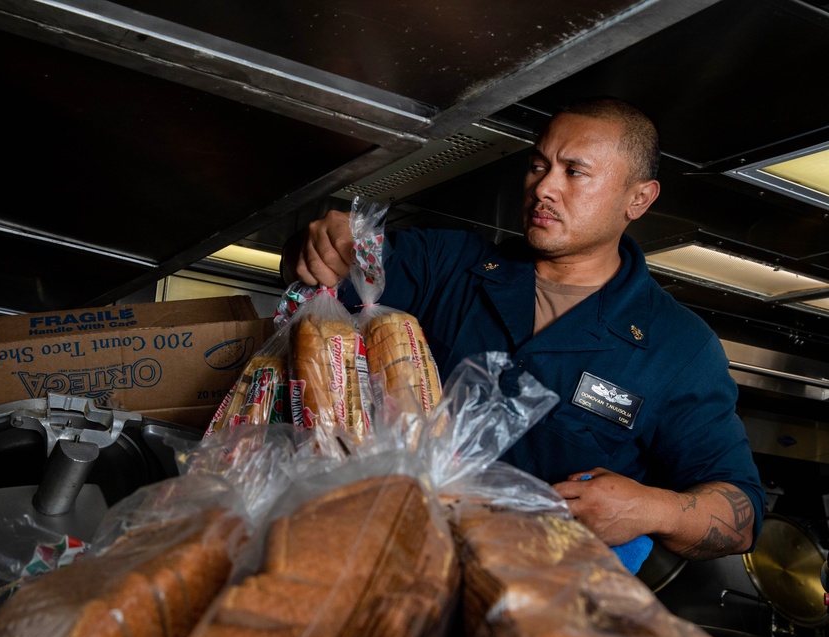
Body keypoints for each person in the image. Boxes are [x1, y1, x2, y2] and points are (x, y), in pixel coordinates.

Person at [282, 97, 764, 561]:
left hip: (527, 607)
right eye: (538, 166)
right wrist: (327, 240)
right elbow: (322, 272)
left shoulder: (680, 348)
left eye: (574, 172)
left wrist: (649, 509)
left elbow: (740, 516)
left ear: (637, 198)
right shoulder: (447, 263)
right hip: (374, 556)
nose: (544, 188)